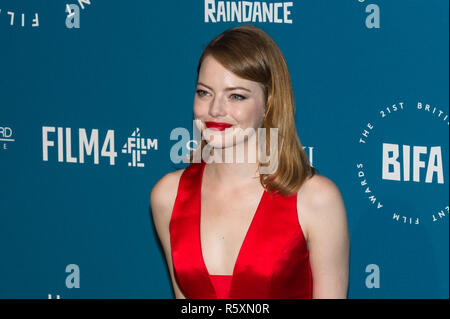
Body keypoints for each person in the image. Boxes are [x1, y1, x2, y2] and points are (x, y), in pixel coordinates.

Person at [150, 25, 349, 299]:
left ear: (269, 103)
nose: (215, 109)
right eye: (204, 92)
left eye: (236, 96)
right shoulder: (168, 196)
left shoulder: (315, 200)